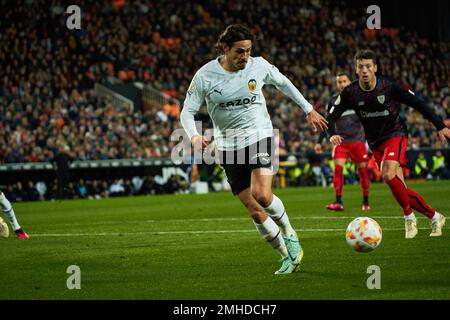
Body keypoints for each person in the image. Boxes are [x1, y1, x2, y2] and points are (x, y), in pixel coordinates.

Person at [180, 24, 327, 274]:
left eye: (248, 51)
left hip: (259, 136)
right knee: (256, 212)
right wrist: (193, 136)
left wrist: (308, 109)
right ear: (225, 49)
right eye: (239, 51)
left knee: (262, 194)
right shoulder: (205, 75)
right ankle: (286, 256)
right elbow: (187, 110)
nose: (244, 57)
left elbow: (283, 83)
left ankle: (290, 233)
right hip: (227, 146)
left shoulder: (258, 66)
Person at [327, 49, 450, 239]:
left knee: (387, 174)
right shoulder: (350, 92)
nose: (365, 70)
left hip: (395, 134)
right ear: (356, 70)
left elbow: (418, 103)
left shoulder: (388, 86)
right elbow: (331, 115)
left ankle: (409, 218)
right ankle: (435, 217)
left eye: (368, 66)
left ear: (375, 68)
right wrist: (332, 134)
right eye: (361, 67)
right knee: (398, 185)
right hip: (375, 143)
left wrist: (440, 126)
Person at [315, 72, 370, 211]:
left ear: (350, 82)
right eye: (339, 82)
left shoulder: (359, 98)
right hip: (341, 142)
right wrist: (319, 141)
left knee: (363, 172)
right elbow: (328, 122)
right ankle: (338, 201)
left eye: (344, 81)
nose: (342, 84)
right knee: (338, 170)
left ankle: (366, 202)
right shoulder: (333, 101)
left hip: (358, 141)